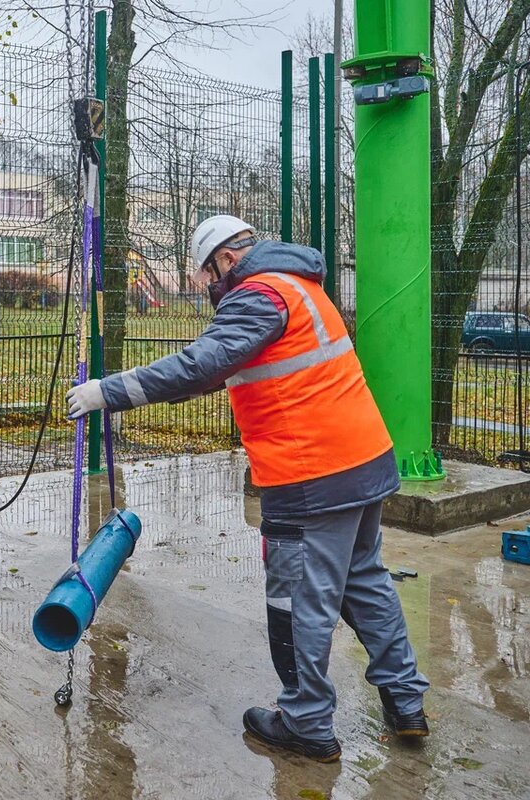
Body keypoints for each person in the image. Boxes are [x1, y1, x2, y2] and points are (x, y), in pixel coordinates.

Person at [66, 215, 429, 762]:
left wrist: (108, 392)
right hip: (361, 462)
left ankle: (306, 721)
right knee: (365, 583)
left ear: (226, 261)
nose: (212, 288)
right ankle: (406, 703)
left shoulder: (256, 294)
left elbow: (200, 362)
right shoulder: (297, 286)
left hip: (309, 474)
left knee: (298, 600)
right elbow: (218, 371)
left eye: (209, 275)